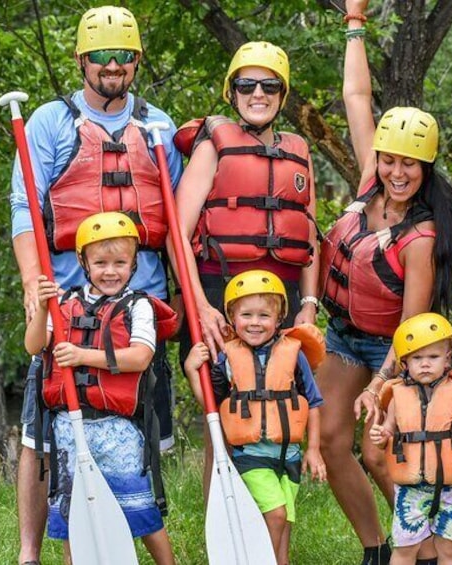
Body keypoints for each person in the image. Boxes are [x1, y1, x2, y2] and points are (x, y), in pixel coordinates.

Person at [7, 6, 183, 564]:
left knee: (139, 441)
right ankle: (30, 553)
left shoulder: (159, 126)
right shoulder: (50, 123)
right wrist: (35, 289)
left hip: (139, 306)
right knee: (42, 440)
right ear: (82, 60)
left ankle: (126, 543)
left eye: (124, 56)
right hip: (68, 307)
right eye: (102, 56)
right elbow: (24, 210)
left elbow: (178, 220)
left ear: (136, 62)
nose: (114, 66)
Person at [318, 2, 452, 564]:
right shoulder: (367, 184)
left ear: (427, 168)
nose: (399, 172)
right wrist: (355, 24)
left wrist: (378, 388)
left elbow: (411, 330)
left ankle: (426, 548)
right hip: (343, 336)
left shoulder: (423, 237)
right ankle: (378, 548)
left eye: (412, 164)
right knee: (330, 441)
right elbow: (357, 99)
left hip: (394, 349)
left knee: (379, 451)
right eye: (390, 160)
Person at [172, 40, 320, 492]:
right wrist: (200, 307)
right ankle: (225, 525)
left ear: (283, 93)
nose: (259, 93)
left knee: (276, 407)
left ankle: (274, 518)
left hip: (283, 298)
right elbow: (177, 234)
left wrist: (309, 305)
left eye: (270, 85)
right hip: (220, 291)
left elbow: (310, 235)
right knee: (222, 413)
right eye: (247, 84)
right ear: (232, 92)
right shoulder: (213, 147)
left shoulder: (298, 149)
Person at [24, 212, 176, 564]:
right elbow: (34, 346)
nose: (111, 271)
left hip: (117, 430)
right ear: (83, 262)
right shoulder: (63, 304)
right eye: (101, 262)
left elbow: (139, 357)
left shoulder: (138, 306)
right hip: (69, 428)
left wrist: (81, 355)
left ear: (134, 263)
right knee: (72, 515)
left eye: (120, 263)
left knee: (139, 507)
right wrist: (42, 309)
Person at [183, 270, 326, 564]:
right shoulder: (227, 358)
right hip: (251, 456)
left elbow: (312, 402)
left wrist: (313, 450)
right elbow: (212, 406)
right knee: (275, 515)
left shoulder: (294, 354)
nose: (255, 323)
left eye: (264, 315)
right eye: (246, 315)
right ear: (232, 317)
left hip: (290, 456)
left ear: (280, 318)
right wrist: (190, 370)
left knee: (285, 523)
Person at [369, 313, 452, 565]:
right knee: (405, 549)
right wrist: (380, 436)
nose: (425, 364)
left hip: (451, 489)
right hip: (411, 490)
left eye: (433, 357)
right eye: (417, 358)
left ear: (448, 359)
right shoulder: (398, 397)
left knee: (449, 549)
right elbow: (387, 433)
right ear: (404, 362)